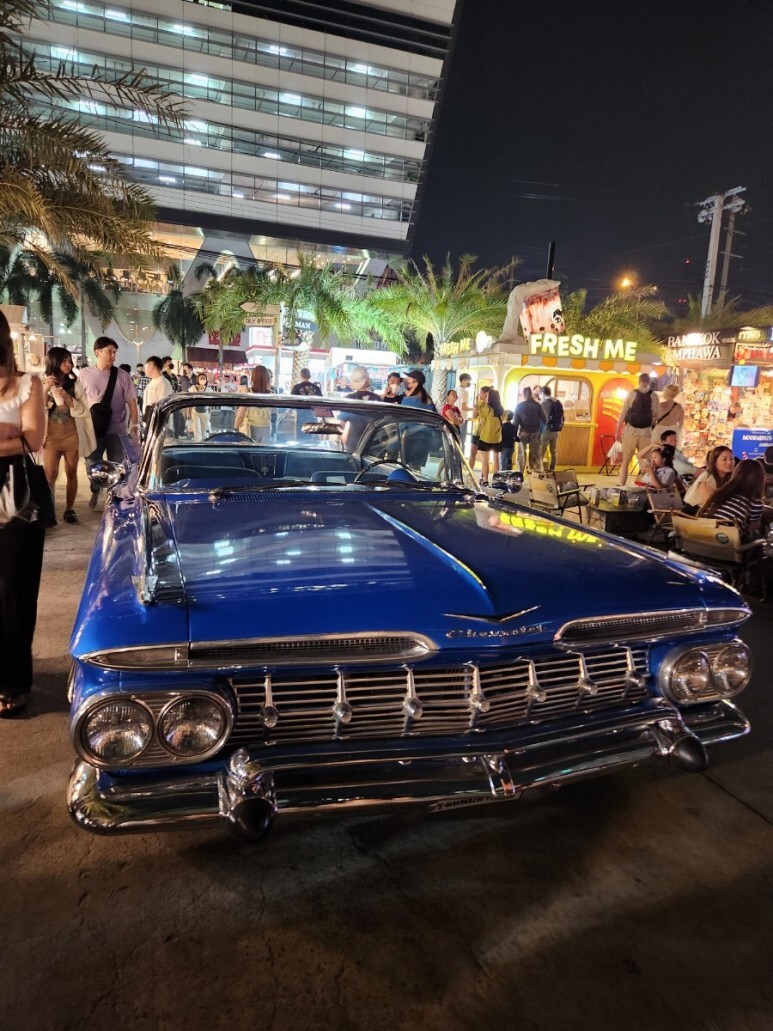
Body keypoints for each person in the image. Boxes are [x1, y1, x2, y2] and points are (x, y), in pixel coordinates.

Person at [0, 310, 46, 717]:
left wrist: (15, 437)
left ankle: (13, 680)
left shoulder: (28, 384)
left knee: (12, 591)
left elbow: (33, 438)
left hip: (15, 493)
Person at [79, 337, 139, 508]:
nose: (113, 355)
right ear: (98, 352)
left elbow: (132, 402)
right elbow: (78, 401)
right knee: (92, 463)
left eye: (115, 352)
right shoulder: (84, 375)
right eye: (109, 351)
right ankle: (96, 489)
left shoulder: (122, 376)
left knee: (117, 466)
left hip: (117, 430)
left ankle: (112, 496)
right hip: (93, 429)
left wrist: (134, 425)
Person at [42, 346, 95, 523]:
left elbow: (84, 409)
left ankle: (69, 509)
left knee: (71, 471)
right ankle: (49, 509)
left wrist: (67, 397)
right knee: (50, 474)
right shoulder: (43, 382)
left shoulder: (75, 385)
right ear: (54, 362)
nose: (68, 364)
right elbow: (38, 408)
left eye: (69, 360)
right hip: (51, 435)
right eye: (64, 361)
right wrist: (46, 388)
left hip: (72, 434)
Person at [698, 459, 768, 541]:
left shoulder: (720, 492)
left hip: (700, 537)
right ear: (759, 480)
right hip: (725, 543)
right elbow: (753, 527)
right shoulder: (755, 502)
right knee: (757, 534)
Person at [615, 372, 659, 486]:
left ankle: (622, 486)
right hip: (646, 432)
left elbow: (624, 412)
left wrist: (618, 430)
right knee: (645, 462)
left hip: (631, 430)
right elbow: (655, 415)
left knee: (625, 462)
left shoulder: (632, 394)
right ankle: (644, 488)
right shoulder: (654, 396)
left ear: (639, 381)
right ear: (649, 382)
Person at [683, 445, 735, 512]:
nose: (729, 462)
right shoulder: (707, 478)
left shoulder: (728, 478)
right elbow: (709, 504)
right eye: (724, 459)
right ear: (715, 462)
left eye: (731, 458)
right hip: (694, 515)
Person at [473, 386, 503, 483]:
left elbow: (478, 416)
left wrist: (478, 402)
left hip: (486, 437)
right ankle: (497, 480)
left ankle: (485, 480)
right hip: (497, 438)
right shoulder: (500, 410)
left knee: (485, 460)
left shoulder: (487, 408)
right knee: (496, 459)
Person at [235, 365, 272, 441]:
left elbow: (240, 415)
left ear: (253, 378)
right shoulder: (271, 395)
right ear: (267, 378)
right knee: (264, 448)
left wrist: (235, 428)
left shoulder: (249, 393)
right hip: (266, 428)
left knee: (251, 447)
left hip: (251, 429)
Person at [513, 385, 544, 473]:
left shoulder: (519, 406)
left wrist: (514, 435)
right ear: (531, 394)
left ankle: (520, 473)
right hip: (535, 433)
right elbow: (544, 419)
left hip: (523, 432)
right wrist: (540, 431)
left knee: (521, 455)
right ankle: (534, 474)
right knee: (535, 455)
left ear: (523, 394)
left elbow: (516, 422)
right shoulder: (538, 406)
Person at [142, 356, 174, 426]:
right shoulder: (153, 381)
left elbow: (164, 408)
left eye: (145, 366)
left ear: (151, 366)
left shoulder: (163, 383)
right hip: (150, 423)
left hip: (158, 425)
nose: (145, 369)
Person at [540, 384, 564, 472]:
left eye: (540, 394)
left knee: (541, 451)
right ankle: (552, 469)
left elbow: (543, 419)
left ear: (543, 393)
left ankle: (539, 470)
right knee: (553, 451)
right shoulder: (557, 401)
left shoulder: (544, 403)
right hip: (556, 430)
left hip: (546, 430)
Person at [188, 372, 211, 441]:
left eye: (204, 379)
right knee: (197, 430)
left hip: (205, 412)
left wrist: (210, 412)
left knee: (203, 431)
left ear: (206, 380)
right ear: (198, 379)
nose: (203, 380)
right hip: (195, 411)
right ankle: (198, 443)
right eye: (201, 378)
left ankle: (202, 443)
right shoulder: (193, 388)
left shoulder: (208, 390)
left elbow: (210, 402)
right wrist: (189, 413)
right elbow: (189, 401)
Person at [457, 372, 474, 449]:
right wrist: (473, 409)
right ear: (463, 380)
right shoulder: (465, 392)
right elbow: (463, 407)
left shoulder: (455, 389)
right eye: (469, 381)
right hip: (463, 419)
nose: (469, 383)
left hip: (455, 418)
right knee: (462, 440)